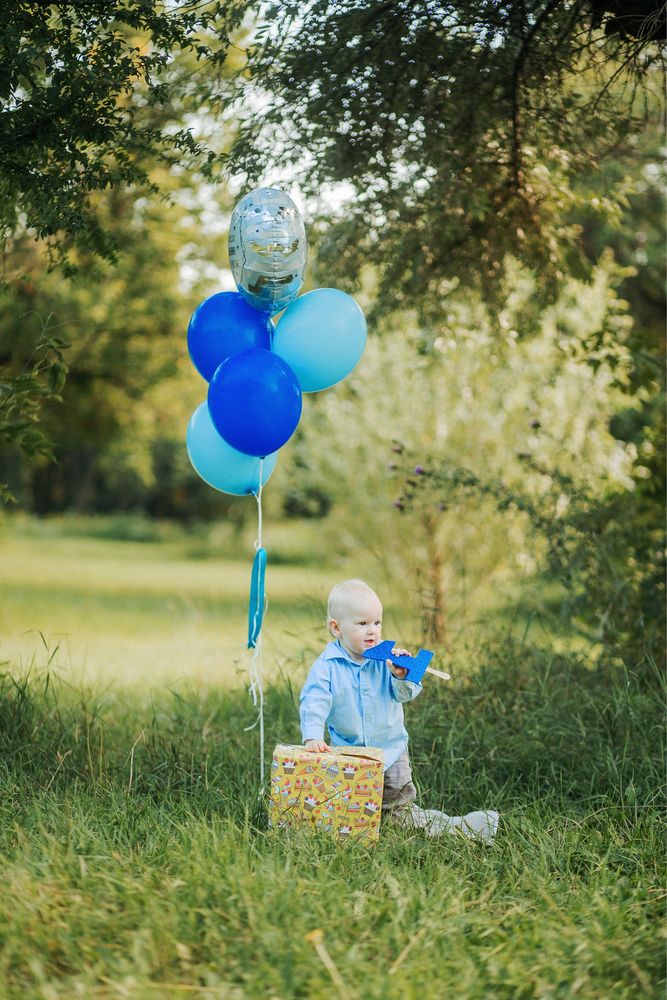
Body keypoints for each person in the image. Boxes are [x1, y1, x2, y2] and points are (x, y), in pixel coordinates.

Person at [299, 578, 499, 842]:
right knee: (353, 812)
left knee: (399, 811)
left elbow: (405, 695)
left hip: (391, 751)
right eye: (362, 624)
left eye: (377, 622)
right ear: (336, 628)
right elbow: (314, 700)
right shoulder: (327, 666)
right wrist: (313, 736)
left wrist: (402, 675)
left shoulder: (387, 660)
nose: (372, 631)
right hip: (349, 753)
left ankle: (464, 827)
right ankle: (363, 832)